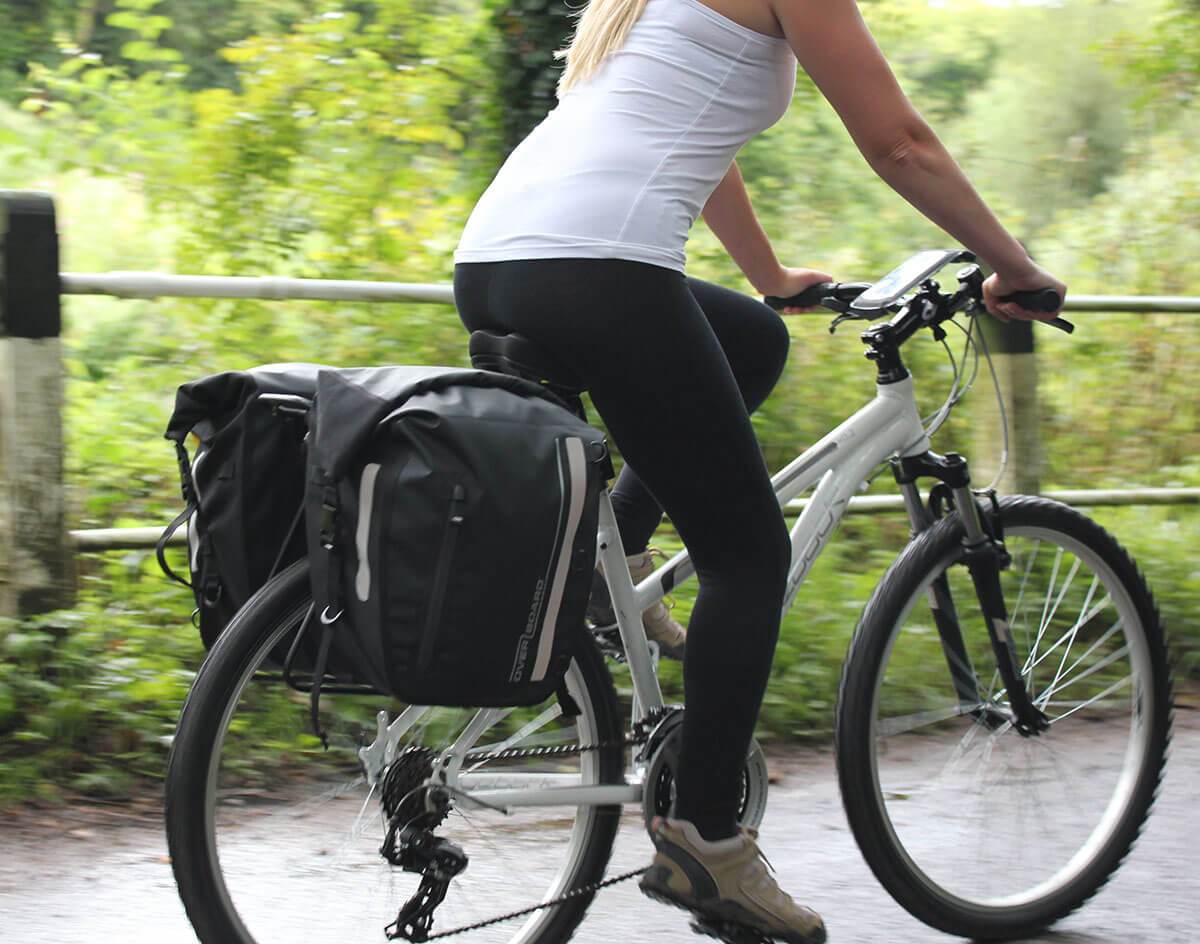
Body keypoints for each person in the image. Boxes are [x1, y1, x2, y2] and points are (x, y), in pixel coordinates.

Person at [452, 0, 1067, 939]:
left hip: (496, 260)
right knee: (746, 560)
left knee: (752, 339)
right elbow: (900, 143)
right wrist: (1011, 266)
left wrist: (770, 278)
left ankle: (614, 561)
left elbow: (694, 128)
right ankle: (706, 841)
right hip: (601, 269)